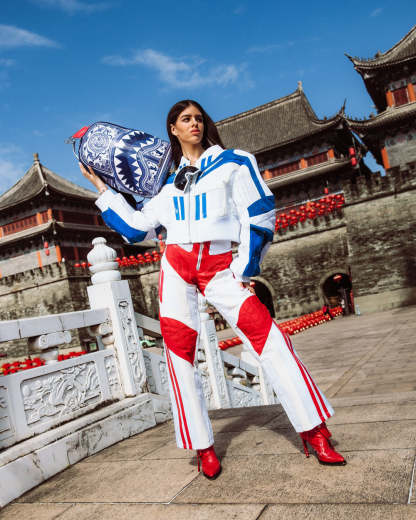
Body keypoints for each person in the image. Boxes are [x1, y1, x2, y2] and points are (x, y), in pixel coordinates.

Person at [79, 99, 346, 479]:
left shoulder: (234, 163)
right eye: (185, 119)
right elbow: (137, 230)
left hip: (220, 267)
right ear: (172, 129)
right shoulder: (165, 185)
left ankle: (314, 432)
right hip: (176, 267)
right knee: (180, 356)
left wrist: (245, 267)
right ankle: (203, 445)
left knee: (271, 341)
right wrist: (102, 189)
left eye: (199, 118)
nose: (195, 124)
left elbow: (260, 213)